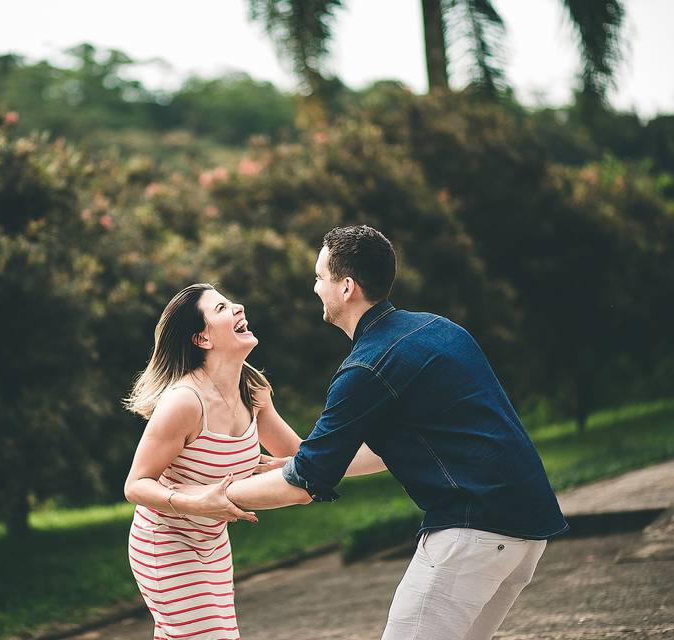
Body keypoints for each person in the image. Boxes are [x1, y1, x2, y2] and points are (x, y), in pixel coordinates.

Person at [180, 225, 569, 640]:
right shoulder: (437, 329)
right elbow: (390, 449)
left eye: (319, 278)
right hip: (527, 529)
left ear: (346, 287)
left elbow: (304, 483)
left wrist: (211, 498)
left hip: (475, 531)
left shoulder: (366, 368)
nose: (315, 288)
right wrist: (300, 463)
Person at [123, 282, 386, 640]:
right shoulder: (184, 402)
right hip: (166, 543)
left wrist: (388, 449)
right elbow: (135, 485)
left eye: (230, 302)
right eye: (220, 309)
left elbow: (300, 454)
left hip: (212, 543)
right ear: (202, 339)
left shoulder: (253, 392)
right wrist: (194, 501)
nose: (238, 307)